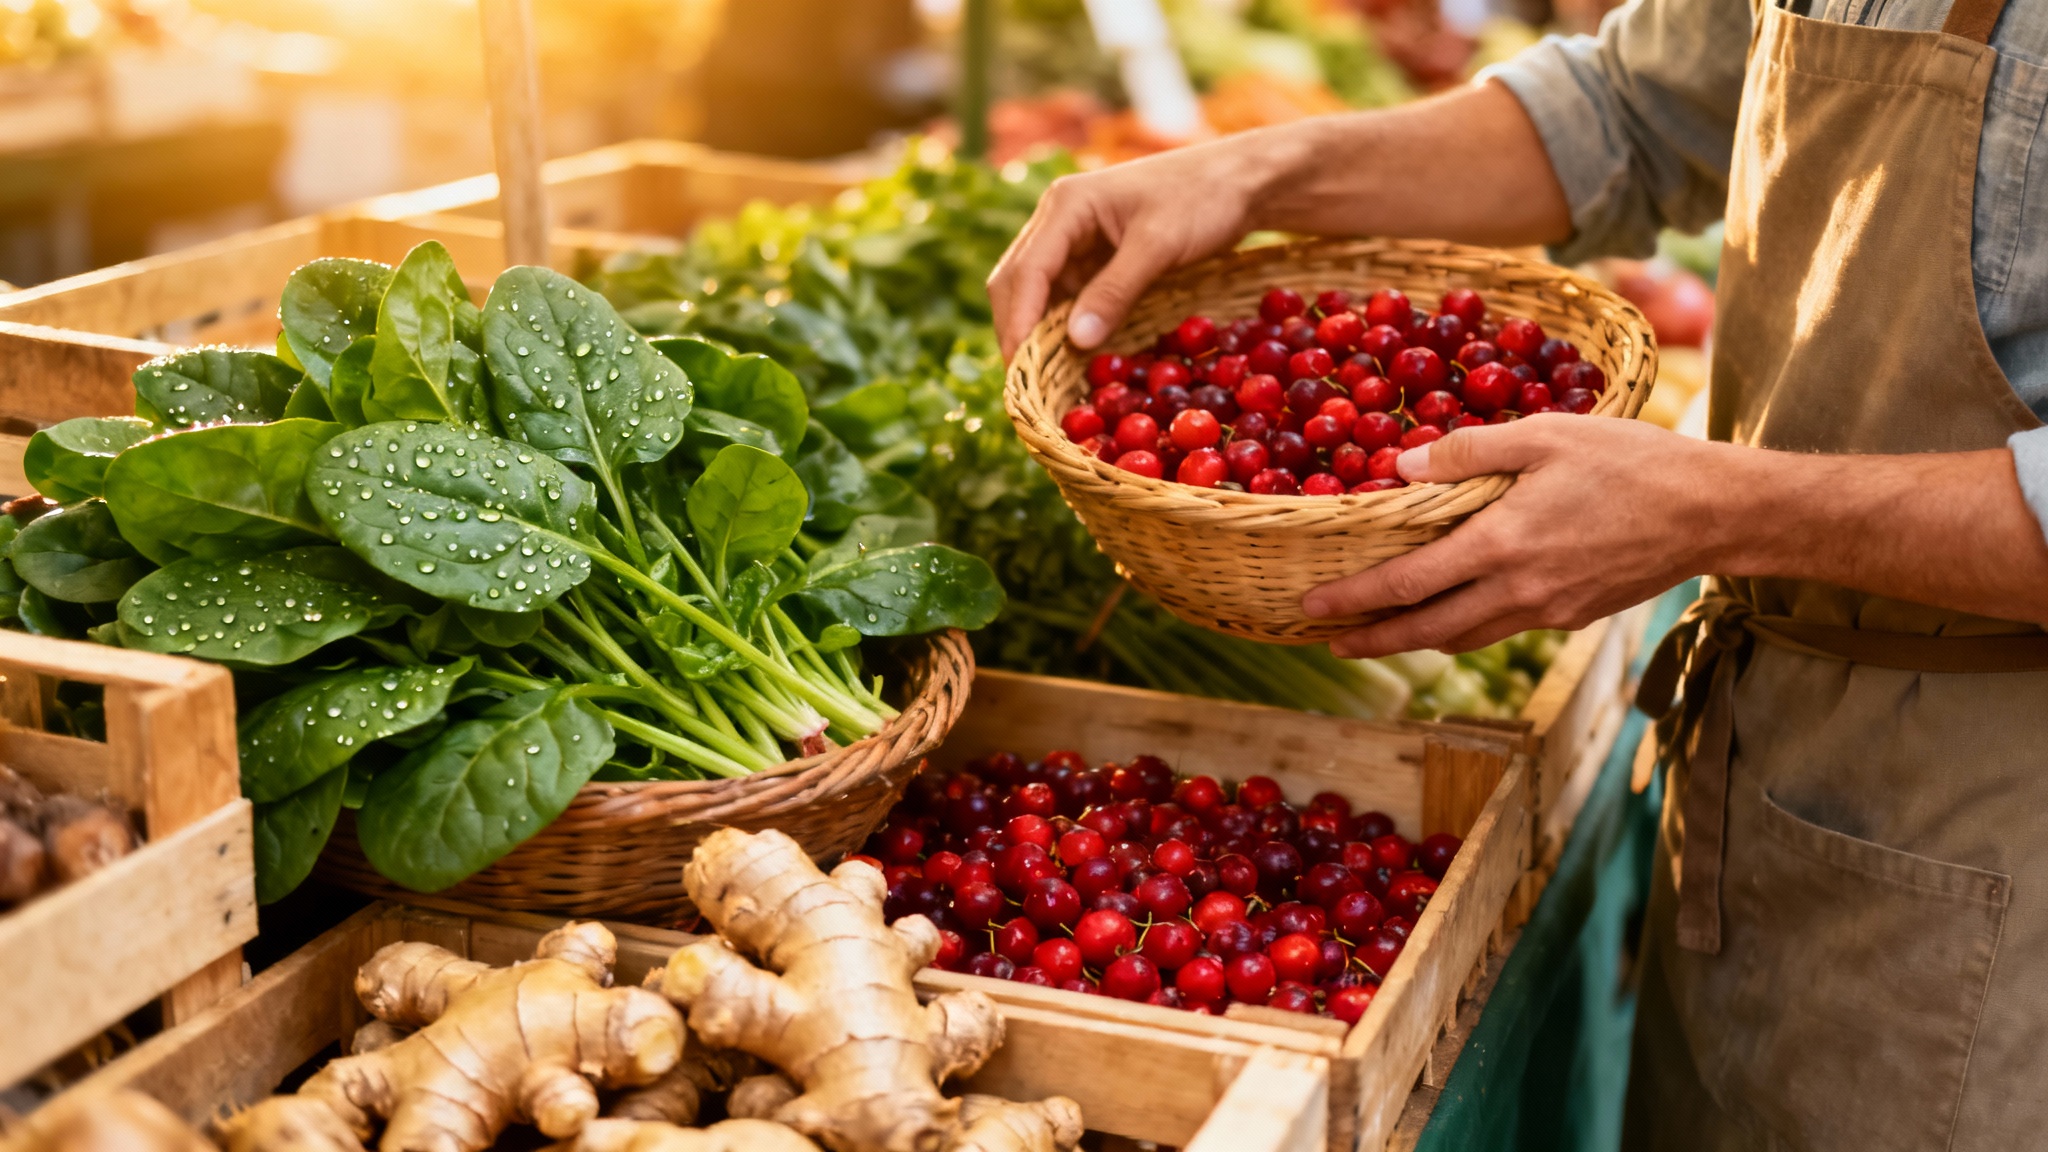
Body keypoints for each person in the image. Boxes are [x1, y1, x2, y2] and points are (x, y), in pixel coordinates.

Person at [987, 0, 2048, 1145]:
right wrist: (1250, 174)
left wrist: (1716, 508)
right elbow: (1630, 110)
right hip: (1763, 760)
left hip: (1999, 821)